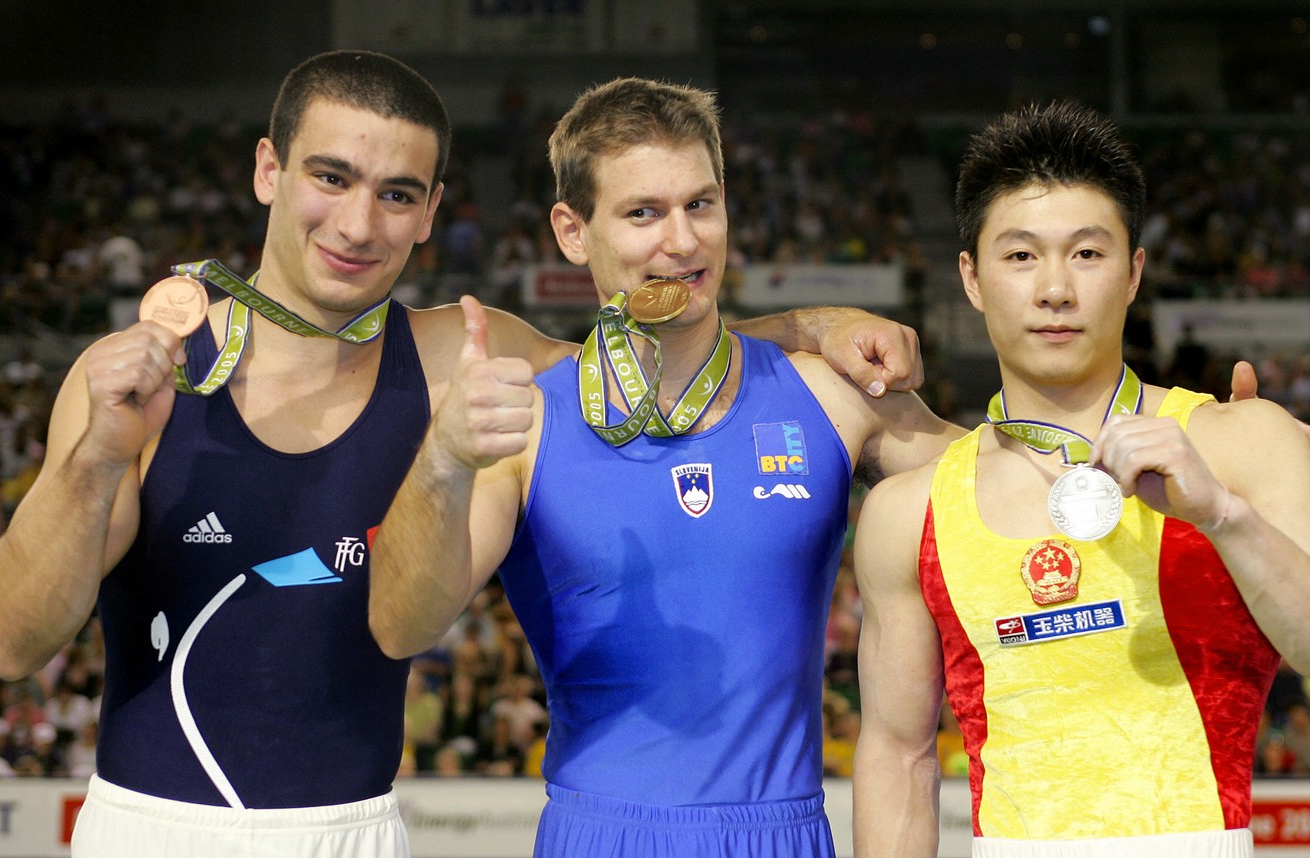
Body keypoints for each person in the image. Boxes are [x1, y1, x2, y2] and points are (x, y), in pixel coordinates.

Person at [0, 51, 927, 857]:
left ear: (429, 212)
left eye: (396, 195)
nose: (359, 225)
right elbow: (7, 646)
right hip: (147, 830)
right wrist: (95, 460)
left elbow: (655, 339)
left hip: (359, 832)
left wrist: (813, 327)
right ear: (269, 169)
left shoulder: (458, 359)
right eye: (331, 178)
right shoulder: (142, 377)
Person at [368, 76, 962, 858]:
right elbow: (399, 625)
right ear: (573, 231)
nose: (681, 242)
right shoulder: (530, 426)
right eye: (643, 213)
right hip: (598, 837)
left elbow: (1009, 479)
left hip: (782, 835)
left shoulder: (833, 394)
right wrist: (442, 460)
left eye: (700, 205)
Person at [851, 101, 1310, 858]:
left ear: (1133, 273)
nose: (1055, 288)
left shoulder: (1240, 443)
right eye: (1021, 256)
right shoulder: (908, 510)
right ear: (972, 278)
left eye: (1087, 253)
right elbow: (897, 757)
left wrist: (1225, 516)